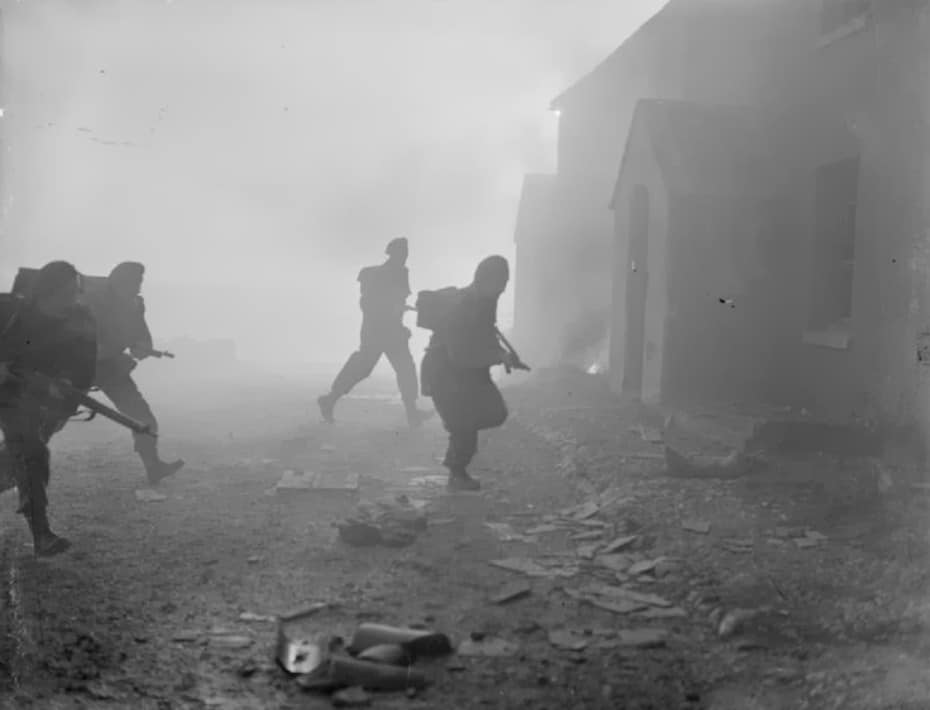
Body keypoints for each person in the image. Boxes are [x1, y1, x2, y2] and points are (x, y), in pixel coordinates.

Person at [0, 261, 98, 556]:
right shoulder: (11, 312)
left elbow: (85, 367)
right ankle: (42, 535)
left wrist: (67, 384)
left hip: (49, 400)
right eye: (64, 294)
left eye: (75, 293)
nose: (71, 300)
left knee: (16, 460)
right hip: (9, 395)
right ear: (45, 293)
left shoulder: (81, 318)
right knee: (32, 452)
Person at [419, 255, 517, 491]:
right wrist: (496, 357)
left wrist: (502, 354)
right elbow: (461, 355)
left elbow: (485, 337)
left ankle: (456, 435)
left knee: (495, 412)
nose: (502, 290)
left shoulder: (485, 303)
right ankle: (457, 472)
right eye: (499, 283)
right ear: (484, 280)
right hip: (445, 373)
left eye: (505, 284)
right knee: (465, 423)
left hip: (468, 374)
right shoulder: (463, 308)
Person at [84, 262, 183, 486]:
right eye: (134, 281)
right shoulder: (94, 302)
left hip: (110, 370)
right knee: (48, 421)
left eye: (140, 281)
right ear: (117, 282)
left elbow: (141, 336)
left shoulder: (134, 305)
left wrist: (141, 347)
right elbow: (82, 339)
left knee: (143, 419)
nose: (138, 286)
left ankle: (153, 467)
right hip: (78, 367)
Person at [318, 237, 430, 427]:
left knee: (404, 369)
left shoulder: (400, 273)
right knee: (365, 367)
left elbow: (396, 302)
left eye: (405, 253)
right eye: (401, 253)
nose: (404, 257)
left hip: (388, 330)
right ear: (393, 254)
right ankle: (330, 399)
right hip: (379, 330)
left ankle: (412, 413)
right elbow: (369, 304)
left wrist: (401, 312)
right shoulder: (383, 274)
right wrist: (393, 316)